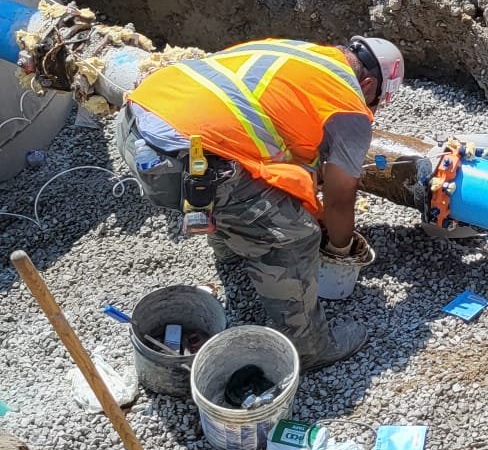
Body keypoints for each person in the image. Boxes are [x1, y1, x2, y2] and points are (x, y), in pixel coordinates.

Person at [115, 34, 404, 371]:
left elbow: (256, 122)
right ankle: (308, 346)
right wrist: (339, 249)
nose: (370, 109)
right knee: (297, 236)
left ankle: (230, 253)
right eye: (375, 102)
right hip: (179, 165)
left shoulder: (297, 51)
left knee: (247, 177)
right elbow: (340, 201)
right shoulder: (349, 104)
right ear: (367, 84)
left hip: (136, 122)